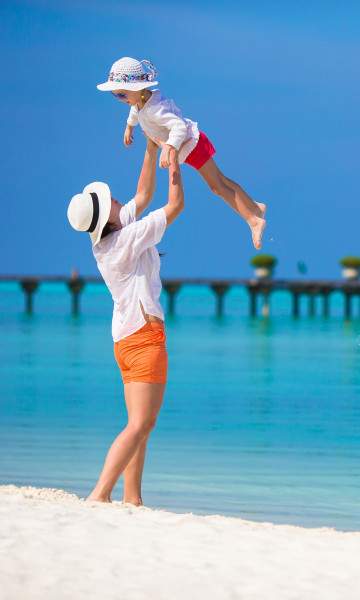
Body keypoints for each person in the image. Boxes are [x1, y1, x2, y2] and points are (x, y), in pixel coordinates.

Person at [66, 134, 184, 505]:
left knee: (139, 426)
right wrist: (174, 158)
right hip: (145, 337)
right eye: (111, 201)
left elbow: (143, 195)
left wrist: (151, 149)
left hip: (125, 339)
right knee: (140, 425)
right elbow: (174, 204)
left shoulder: (105, 242)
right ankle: (100, 495)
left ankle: (132, 500)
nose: (118, 199)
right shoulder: (128, 239)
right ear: (109, 217)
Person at [97, 57, 267, 249]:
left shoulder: (154, 108)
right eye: (116, 96)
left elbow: (178, 126)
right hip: (190, 148)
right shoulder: (139, 102)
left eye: (121, 95)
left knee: (217, 186)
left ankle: (253, 221)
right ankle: (254, 206)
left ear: (137, 88)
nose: (121, 100)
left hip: (192, 146)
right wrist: (129, 127)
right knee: (222, 179)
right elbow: (135, 113)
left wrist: (168, 148)